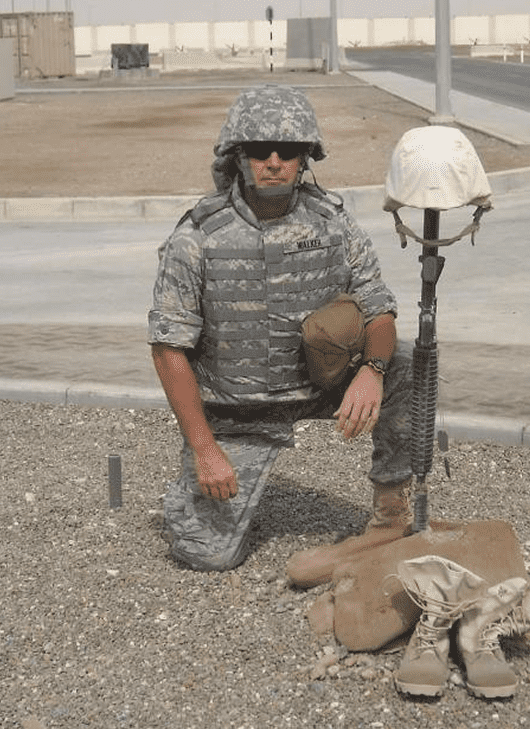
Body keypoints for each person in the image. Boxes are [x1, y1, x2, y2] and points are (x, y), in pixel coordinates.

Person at [148, 84, 414, 572]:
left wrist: (372, 371)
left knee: (407, 361)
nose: (274, 161)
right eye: (259, 150)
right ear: (237, 156)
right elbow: (169, 348)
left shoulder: (333, 224)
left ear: (305, 157)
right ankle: (190, 492)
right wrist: (206, 450)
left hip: (316, 387)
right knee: (207, 556)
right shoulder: (197, 237)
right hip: (236, 411)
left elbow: (380, 310)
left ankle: (393, 513)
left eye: (288, 150)